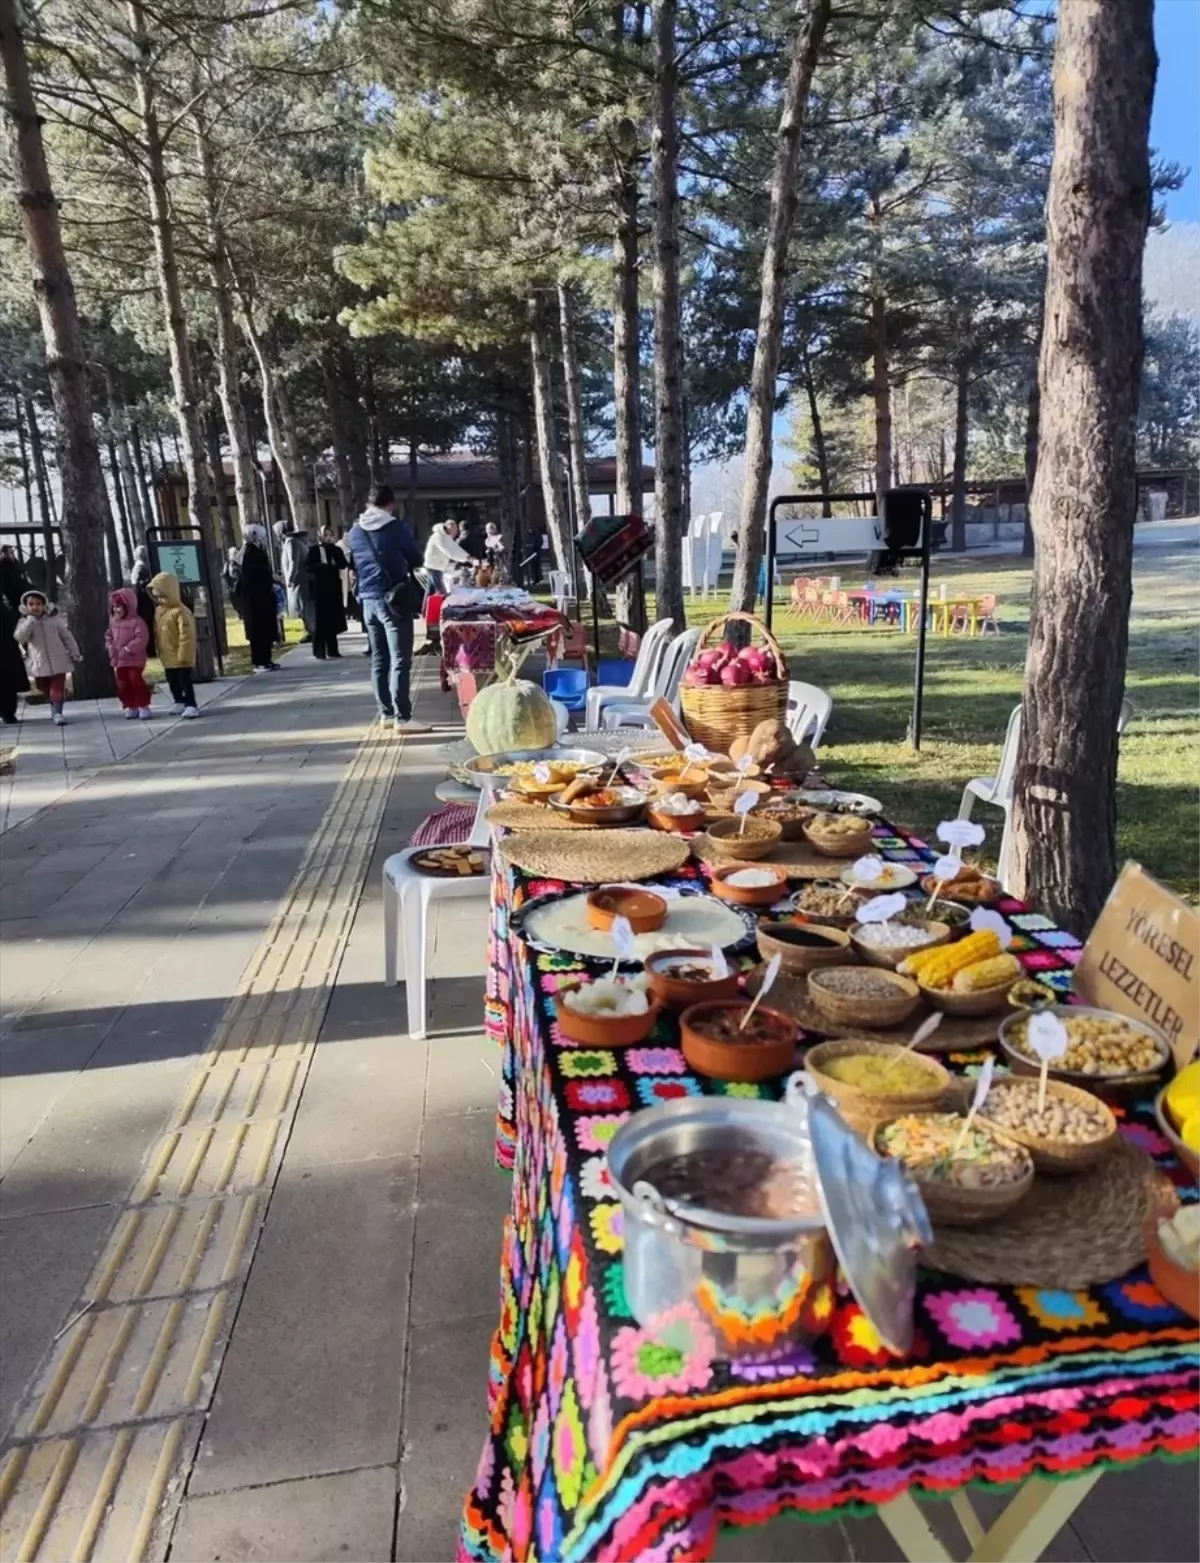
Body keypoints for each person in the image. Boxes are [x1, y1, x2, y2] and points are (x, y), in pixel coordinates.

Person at [345, 484, 430, 733]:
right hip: (393, 601)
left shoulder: (355, 530)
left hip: (367, 601)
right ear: (391, 504)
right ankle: (403, 717)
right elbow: (416, 558)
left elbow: (353, 563)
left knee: (379, 660)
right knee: (401, 659)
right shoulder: (393, 527)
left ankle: (386, 714)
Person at [14, 589, 80, 726]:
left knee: (56, 688)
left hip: (59, 660)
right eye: (31, 604)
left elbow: (66, 637)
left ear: (44, 605)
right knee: (41, 685)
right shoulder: (24, 622)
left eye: (38, 604)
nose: (35, 607)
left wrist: (74, 652)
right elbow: (20, 637)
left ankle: (58, 713)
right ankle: (57, 699)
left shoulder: (54, 620)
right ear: (26, 607)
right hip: (39, 662)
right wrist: (29, 622)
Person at [150, 572, 199, 718]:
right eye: (157, 597)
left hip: (180, 654)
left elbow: (187, 635)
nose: (160, 600)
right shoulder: (159, 612)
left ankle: (191, 704)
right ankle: (178, 700)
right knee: (172, 680)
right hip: (167, 655)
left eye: (163, 596)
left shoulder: (181, 612)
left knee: (185, 680)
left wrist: (184, 654)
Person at [105, 587, 152, 720]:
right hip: (118, 660)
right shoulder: (113, 621)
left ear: (128, 606)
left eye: (119, 606)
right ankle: (130, 705)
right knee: (122, 684)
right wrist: (110, 646)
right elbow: (108, 635)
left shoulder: (137, 622)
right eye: (114, 606)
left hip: (134, 659)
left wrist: (128, 649)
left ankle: (143, 705)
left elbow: (142, 638)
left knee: (135, 681)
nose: (116, 610)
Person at [238, 524, 280, 671]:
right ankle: (259, 661)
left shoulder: (257, 552)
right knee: (258, 632)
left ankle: (266, 659)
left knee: (265, 630)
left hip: (263, 598)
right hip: (255, 600)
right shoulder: (250, 553)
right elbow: (251, 578)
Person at [306, 526, 348, 659]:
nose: (328, 538)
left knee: (332, 618)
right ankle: (319, 651)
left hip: (333, 587)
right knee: (320, 619)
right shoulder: (314, 550)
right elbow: (307, 567)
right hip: (319, 588)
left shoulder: (336, 549)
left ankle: (333, 649)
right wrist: (320, 567)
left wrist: (335, 555)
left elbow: (343, 564)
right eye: (326, 535)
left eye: (330, 535)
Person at [0, 548, 30, 724]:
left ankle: (7, 711)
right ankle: (7, 710)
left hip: (3, 627)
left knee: (5, 668)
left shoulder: (4, 569)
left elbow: (18, 589)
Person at [274, 520, 315, 639]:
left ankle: (311, 631)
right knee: (301, 606)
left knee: (303, 605)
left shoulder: (291, 542)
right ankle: (309, 630)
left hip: (300, 580)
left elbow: (293, 561)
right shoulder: (292, 542)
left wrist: (290, 578)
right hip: (299, 580)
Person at [422, 518, 472, 596]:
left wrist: (467, 556)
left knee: (430, 591)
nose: (456, 533)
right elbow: (449, 552)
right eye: (454, 530)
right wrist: (467, 559)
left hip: (436, 566)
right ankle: (442, 607)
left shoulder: (446, 536)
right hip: (434, 566)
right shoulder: (439, 536)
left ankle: (425, 608)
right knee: (441, 591)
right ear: (449, 528)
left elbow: (455, 547)